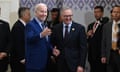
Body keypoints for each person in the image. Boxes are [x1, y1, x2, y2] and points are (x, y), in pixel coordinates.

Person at [51, 7, 87, 72]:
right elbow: (52, 43)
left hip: (75, 64)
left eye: (70, 16)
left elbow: (83, 49)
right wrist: (53, 49)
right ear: (61, 16)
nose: (68, 18)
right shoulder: (56, 28)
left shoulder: (80, 28)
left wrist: (81, 65)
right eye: (65, 16)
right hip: (60, 64)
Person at [25, 3, 52, 72]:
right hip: (34, 64)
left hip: (44, 63)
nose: (44, 14)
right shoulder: (30, 25)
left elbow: (45, 42)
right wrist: (41, 35)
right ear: (36, 12)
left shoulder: (44, 25)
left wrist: (52, 50)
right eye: (42, 11)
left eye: (45, 12)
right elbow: (29, 39)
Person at [87, 6, 109, 72]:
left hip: (101, 55)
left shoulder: (105, 24)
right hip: (92, 56)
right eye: (95, 12)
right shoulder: (90, 25)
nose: (96, 14)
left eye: (98, 12)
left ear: (102, 13)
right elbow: (88, 41)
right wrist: (87, 36)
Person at [10, 7, 31, 72]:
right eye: (29, 14)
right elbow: (18, 44)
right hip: (18, 61)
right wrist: (22, 58)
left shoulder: (22, 25)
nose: (30, 16)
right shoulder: (18, 27)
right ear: (23, 15)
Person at [101, 5, 120, 72]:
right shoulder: (106, 26)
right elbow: (103, 41)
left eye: (118, 12)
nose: (115, 14)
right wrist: (103, 55)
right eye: (114, 12)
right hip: (110, 54)